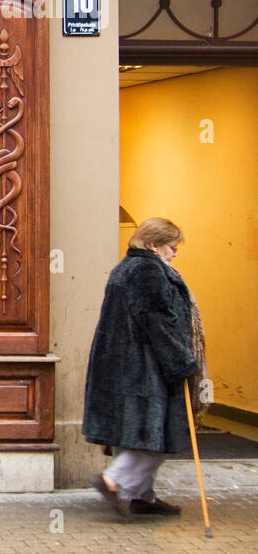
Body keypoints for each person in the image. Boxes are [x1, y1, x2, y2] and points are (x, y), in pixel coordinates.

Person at [82, 218, 199, 519]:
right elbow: (157, 320)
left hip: (120, 364)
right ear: (153, 245)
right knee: (151, 433)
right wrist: (181, 361)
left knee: (133, 432)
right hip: (144, 366)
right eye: (171, 248)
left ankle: (141, 496)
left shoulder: (125, 267)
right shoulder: (148, 270)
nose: (174, 254)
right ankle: (114, 480)